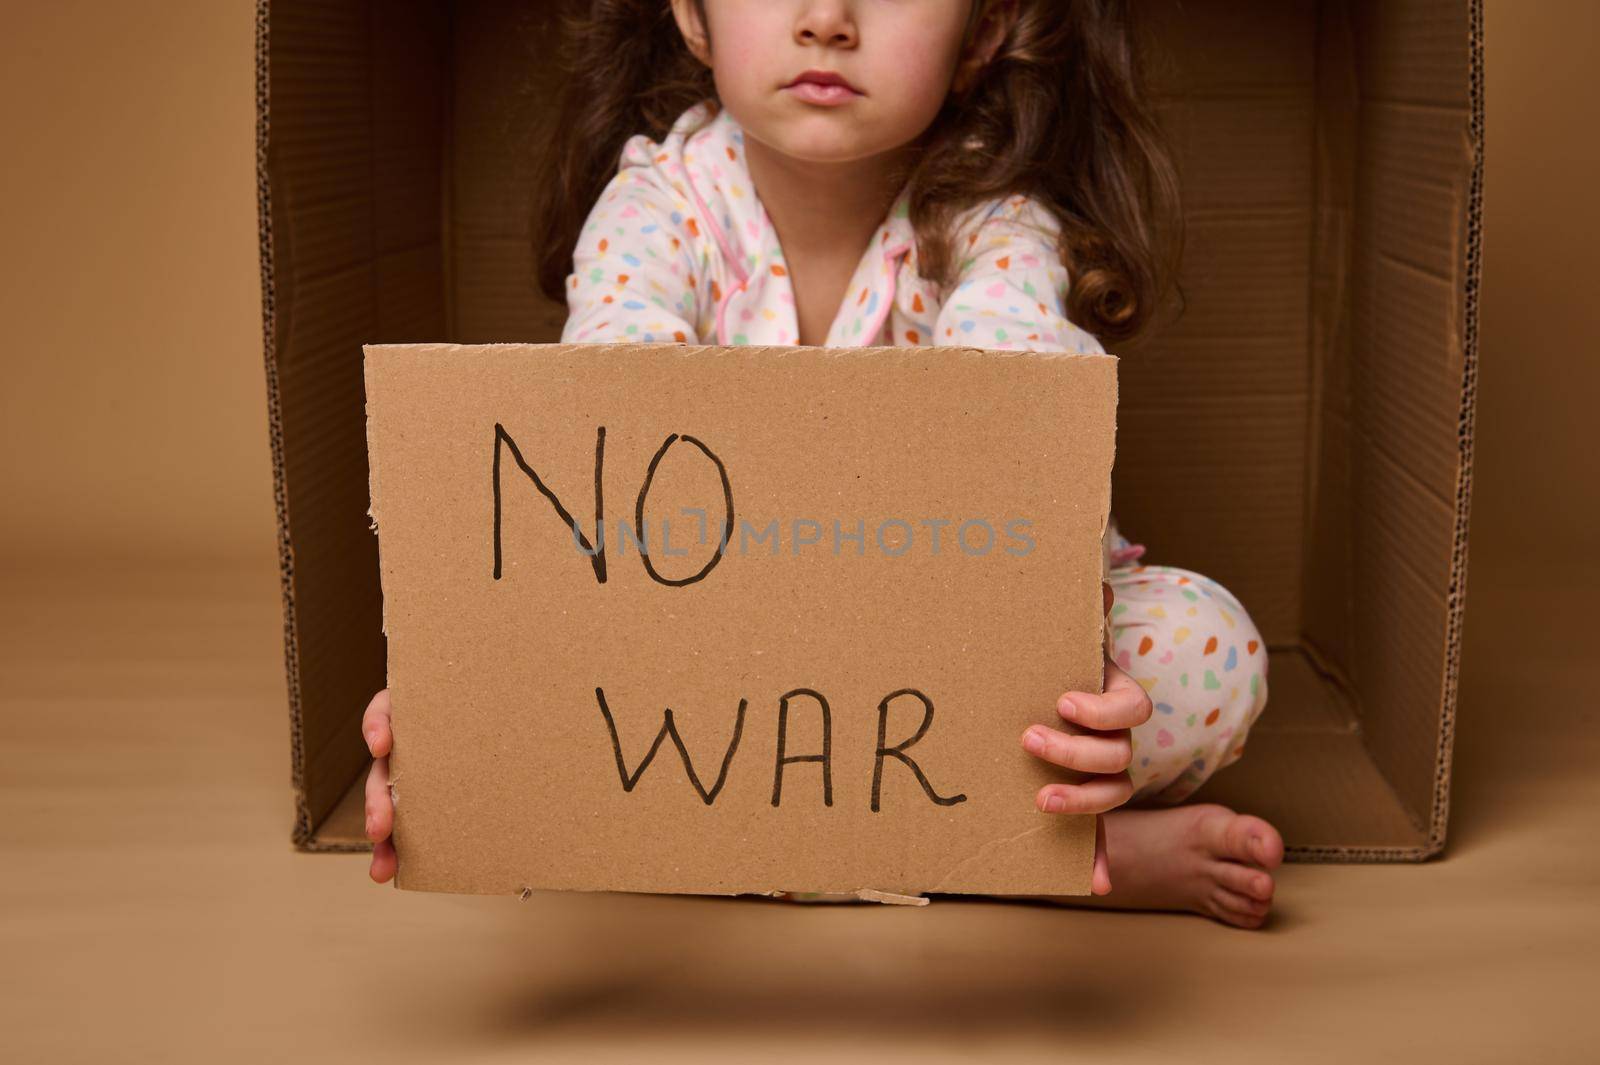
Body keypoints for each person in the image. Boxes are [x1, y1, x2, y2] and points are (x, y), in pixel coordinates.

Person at [361, 0, 1282, 928]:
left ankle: (924, 842)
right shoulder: (653, 207)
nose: (827, 19)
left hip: (944, 661)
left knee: (1212, 651)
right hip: (714, 666)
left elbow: (1024, 459)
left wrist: (1080, 684)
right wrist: (473, 690)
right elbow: (597, 474)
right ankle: (1038, 862)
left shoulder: (999, 223)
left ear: (984, 34)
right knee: (505, 721)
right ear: (690, 14)